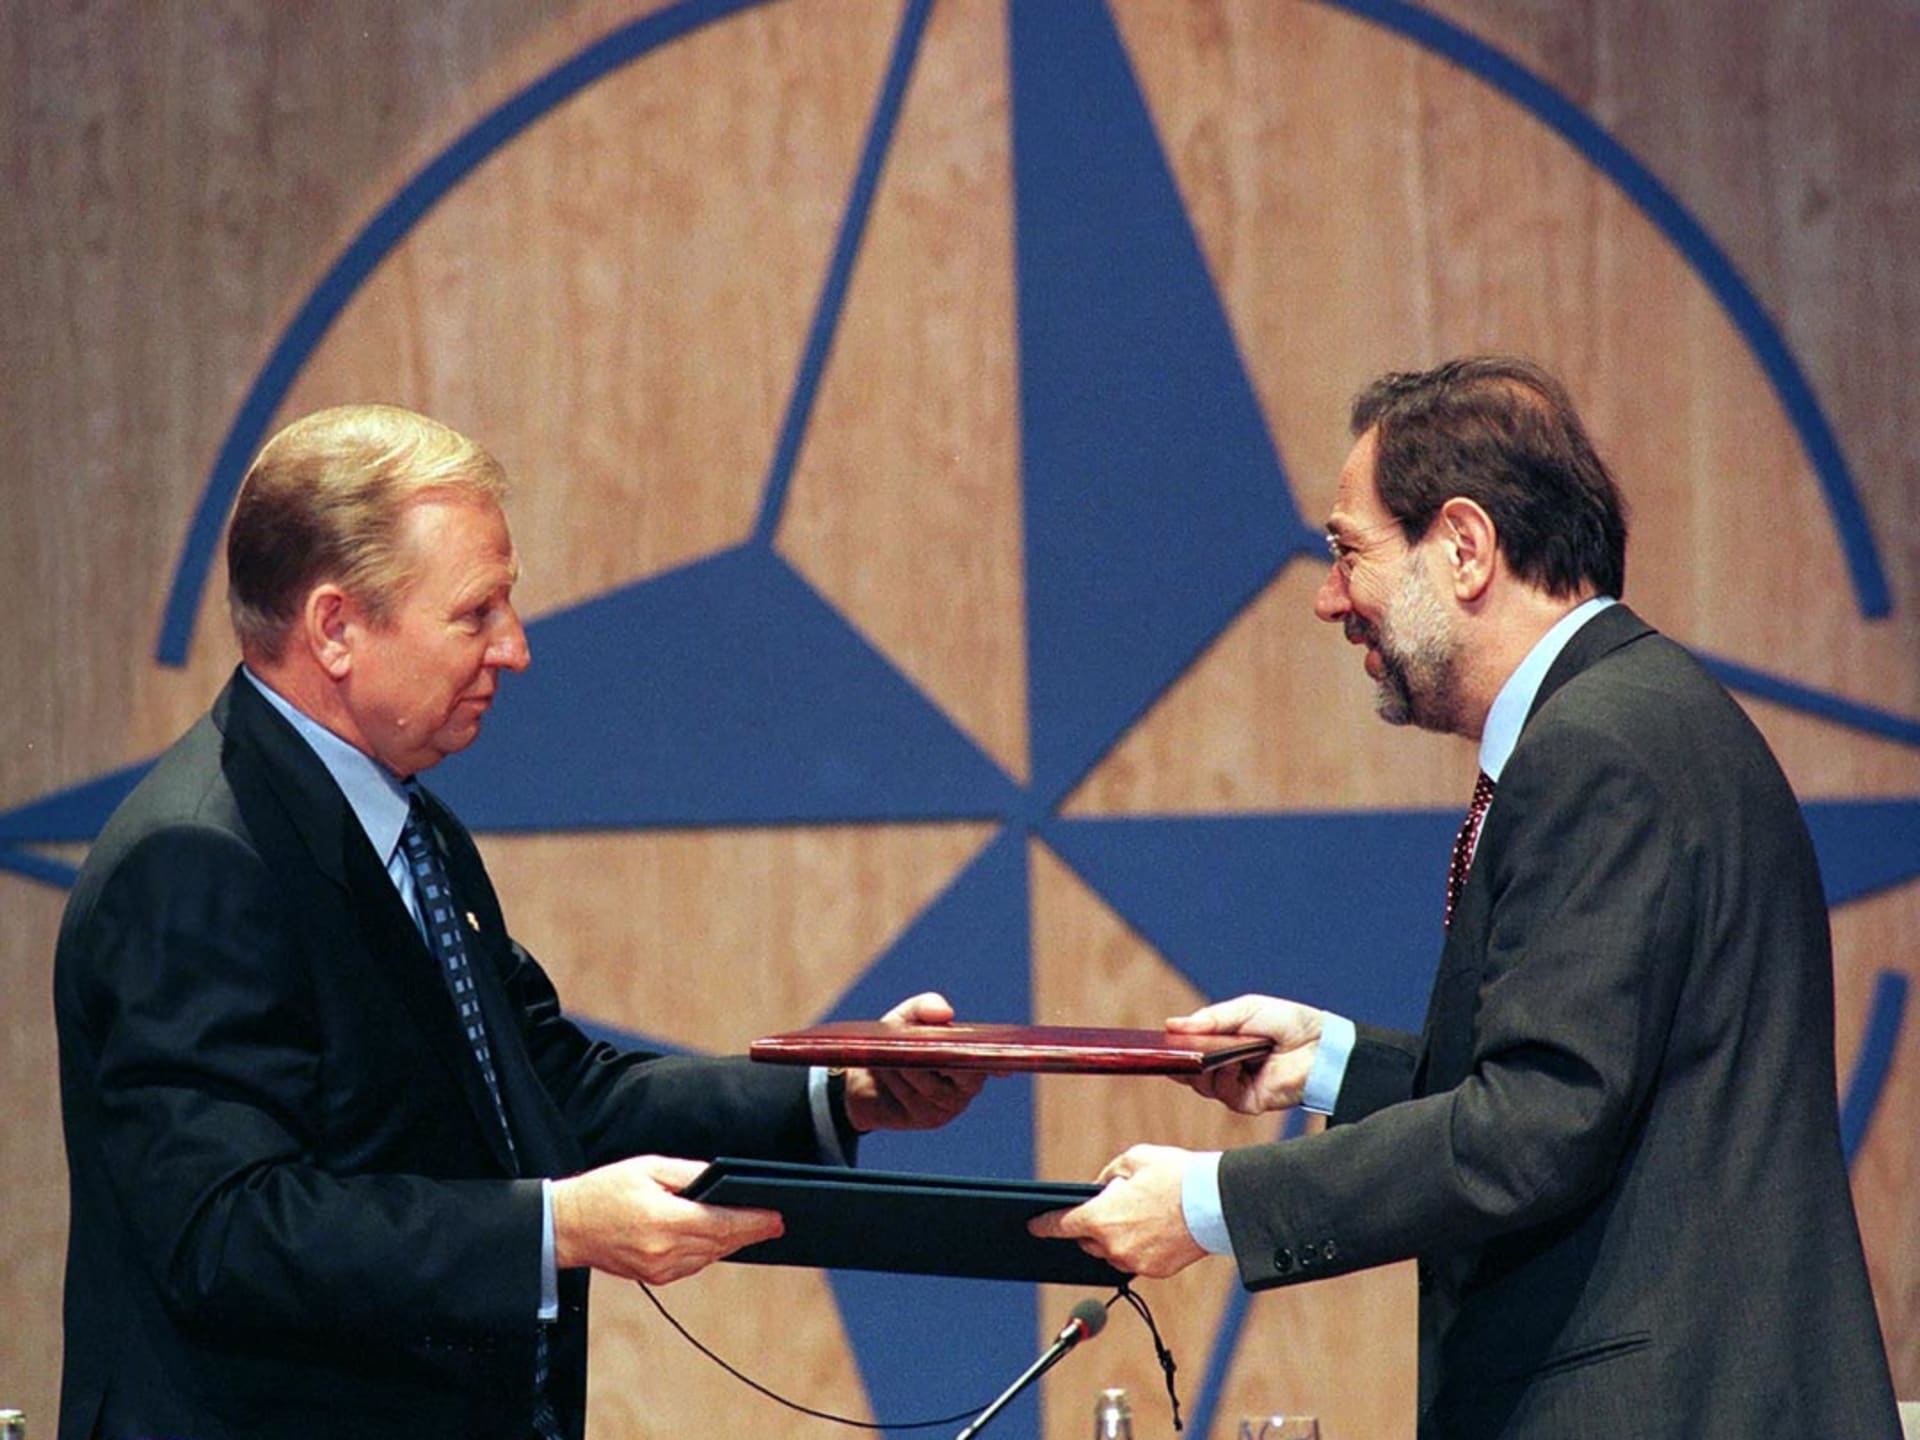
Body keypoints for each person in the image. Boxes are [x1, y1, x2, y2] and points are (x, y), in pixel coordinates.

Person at [53, 404, 984, 1440]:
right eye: (476, 613)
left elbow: (548, 1093)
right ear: (335, 628)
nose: (517, 650)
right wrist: (556, 1227)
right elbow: (225, 1232)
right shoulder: (195, 860)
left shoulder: (416, 830)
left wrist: (841, 1091)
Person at [1032, 358, 1900, 1437]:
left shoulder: (1597, 752)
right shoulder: (1637, 717)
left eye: (1349, 551)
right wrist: (1332, 1065)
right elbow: (1595, 1085)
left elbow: (1536, 1128)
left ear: (1465, 545)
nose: (1327, 596)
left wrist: (1213, 1206)